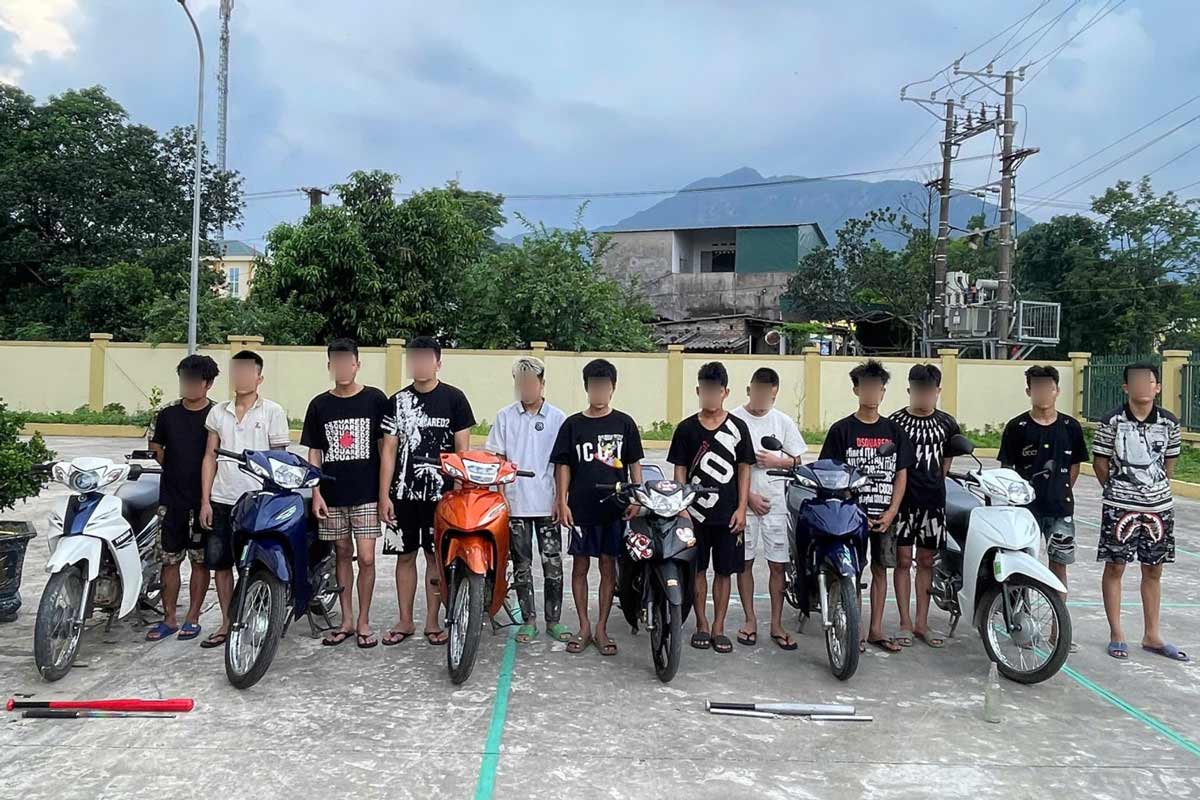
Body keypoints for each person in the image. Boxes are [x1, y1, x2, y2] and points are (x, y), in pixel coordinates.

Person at [378, 336, 475, 647]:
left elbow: (463, 451)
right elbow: (389, 452)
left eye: (425, 358)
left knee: (436, 558)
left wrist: (459, 491)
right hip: (404, 495)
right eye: (414, 358)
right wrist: (385, 495)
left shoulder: (455, 399)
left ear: (437, 362)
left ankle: (433, 621)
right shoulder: (397, 402)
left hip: (442, 497)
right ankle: (405, 620)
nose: (418, 364)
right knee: (404, 557)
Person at [1093, 362, 1188, 662]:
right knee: (1116, 566)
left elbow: (1169, 465)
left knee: (1154, 569)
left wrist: (1154, 491)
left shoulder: (1170, 423)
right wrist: (1116, 490)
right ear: (1126, 387)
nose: (1143, 387)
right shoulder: (1111, 421)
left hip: (1159, 507)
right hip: (1119, 505)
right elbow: (1100, 462)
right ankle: (1117, 633)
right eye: (1136, 382)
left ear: (1157, 387)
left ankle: (1152, 634)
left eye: (1149, 382)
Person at [819, 360, 914, 654]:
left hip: (884, 514)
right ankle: (855, 631)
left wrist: (892, 512)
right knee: (852, 572)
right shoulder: (841, 430)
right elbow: (828, 471)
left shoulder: (894, 431)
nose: (871, 393)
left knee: (881, 570)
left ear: (883, 392)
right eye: (866, 387)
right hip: (850, 515)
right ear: (856, 390)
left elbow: (901, 474)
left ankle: (875, 629)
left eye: (877, 388)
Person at [550, 358, 644, 657]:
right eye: (594, 386)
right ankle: (584, 626)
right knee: (580, 566)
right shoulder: (573, 425)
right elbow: (562, 465)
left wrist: (636, 497)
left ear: (613, 388)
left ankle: (602, 627)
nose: (599, 392)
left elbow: (634, 465)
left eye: (605, 386)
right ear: (587, 387)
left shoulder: (624, 423)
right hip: (580, 509)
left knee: (607, 567)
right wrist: (561, 500)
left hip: (614, 509)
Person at [301, 338, 390, 649]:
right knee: (341, 554)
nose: (342, 368)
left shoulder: (375, 400)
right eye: (335, 362)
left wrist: (384, 493)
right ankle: (347, 619)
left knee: (365, 558)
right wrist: (316, 492)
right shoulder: (319, 405)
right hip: (332, 494)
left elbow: (385, 448)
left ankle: (365, 620)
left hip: (366, 493)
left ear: (356, 364)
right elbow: (314, 451)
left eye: (347, 362)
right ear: (330, 366)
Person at [200, 350, 291, 649]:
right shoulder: (218, 413)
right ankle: (227, 622)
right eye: (235, 372)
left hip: (257, 502)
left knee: (255, 563)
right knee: (221, 564)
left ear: (259, 377)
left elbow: (280, 460)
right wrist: (205, 500)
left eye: (246, 372)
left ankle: (256, 617)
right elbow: (209, 457)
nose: (240, 378)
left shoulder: (272, 412)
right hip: (222, 499)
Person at [998, 364, 1089, 652]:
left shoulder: (1070, 427)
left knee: (1058, 567)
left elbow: (1075, 466)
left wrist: (1059, 493)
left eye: (1048, 386)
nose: (1042, 392)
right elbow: (1006, 470)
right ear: (1028, 391)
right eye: (1036, 386)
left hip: (1060, 510)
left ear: (1057, 390)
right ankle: (1022, 628)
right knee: (1021, 567)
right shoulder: (1016, 427)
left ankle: (1057, 632)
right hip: (1023, 512)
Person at [669, 361, 754, 655]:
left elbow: (744, 470)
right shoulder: (686, 429)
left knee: (724, 572)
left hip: (728, 514)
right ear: (698, 391)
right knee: (697, 571)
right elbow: (679, 471)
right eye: (705, 390)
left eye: (715, 391)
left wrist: (742, 508)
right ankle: (701, 624)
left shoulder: (738, 428)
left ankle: (719, 627)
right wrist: (682, 508)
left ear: (725, 392)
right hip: (694, 515)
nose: (710, 396)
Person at [485, 356, 570, 644]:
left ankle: (554, 620)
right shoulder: (505, 417)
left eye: (531, 383)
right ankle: (529, 619)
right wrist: (500, 499)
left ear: (542, 384)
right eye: (521, 384)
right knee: (521, 564)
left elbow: (562, 465)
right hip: (515, 504)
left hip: (547, 503)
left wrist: (561, 499)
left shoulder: (558, 419)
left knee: (552, 564)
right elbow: (498, 460)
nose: (526, 388)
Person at [145, 354, 220, 642]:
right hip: (171, 500)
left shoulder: (216, 416)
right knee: (169, 560)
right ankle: (169, 618)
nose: (187, 386)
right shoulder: (167, 414)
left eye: (194, 380)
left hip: (204, 500)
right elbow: (156, 447)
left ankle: (193, 617)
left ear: (208, 383)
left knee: (200, 561)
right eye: (184, 380)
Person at [729, 367, 805, 650]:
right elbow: (727, 467)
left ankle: (776, 623)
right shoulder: (734, 420)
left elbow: (798, 461)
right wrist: (747, 497)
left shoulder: (783, 422)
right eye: (757, 392)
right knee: (743, 563)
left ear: (775, 393)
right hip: (743, 506)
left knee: (778, 565)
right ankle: (749, 620)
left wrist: (778, 462)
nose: (761, 399)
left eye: (767, 395)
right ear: (749, 390)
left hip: (776, 505)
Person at [888, 364, 960, 649]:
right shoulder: (895, 423)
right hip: (903, 504)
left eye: (929, 391)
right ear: (909, 390)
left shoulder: (947, 424)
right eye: (918, 390)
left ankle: (922, 622)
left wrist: (934, 485)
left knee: (927, 562)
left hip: (933, 503)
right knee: (903, 560)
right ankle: (904, 622)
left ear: (938, 392)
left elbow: (946, 463)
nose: (923, 396)